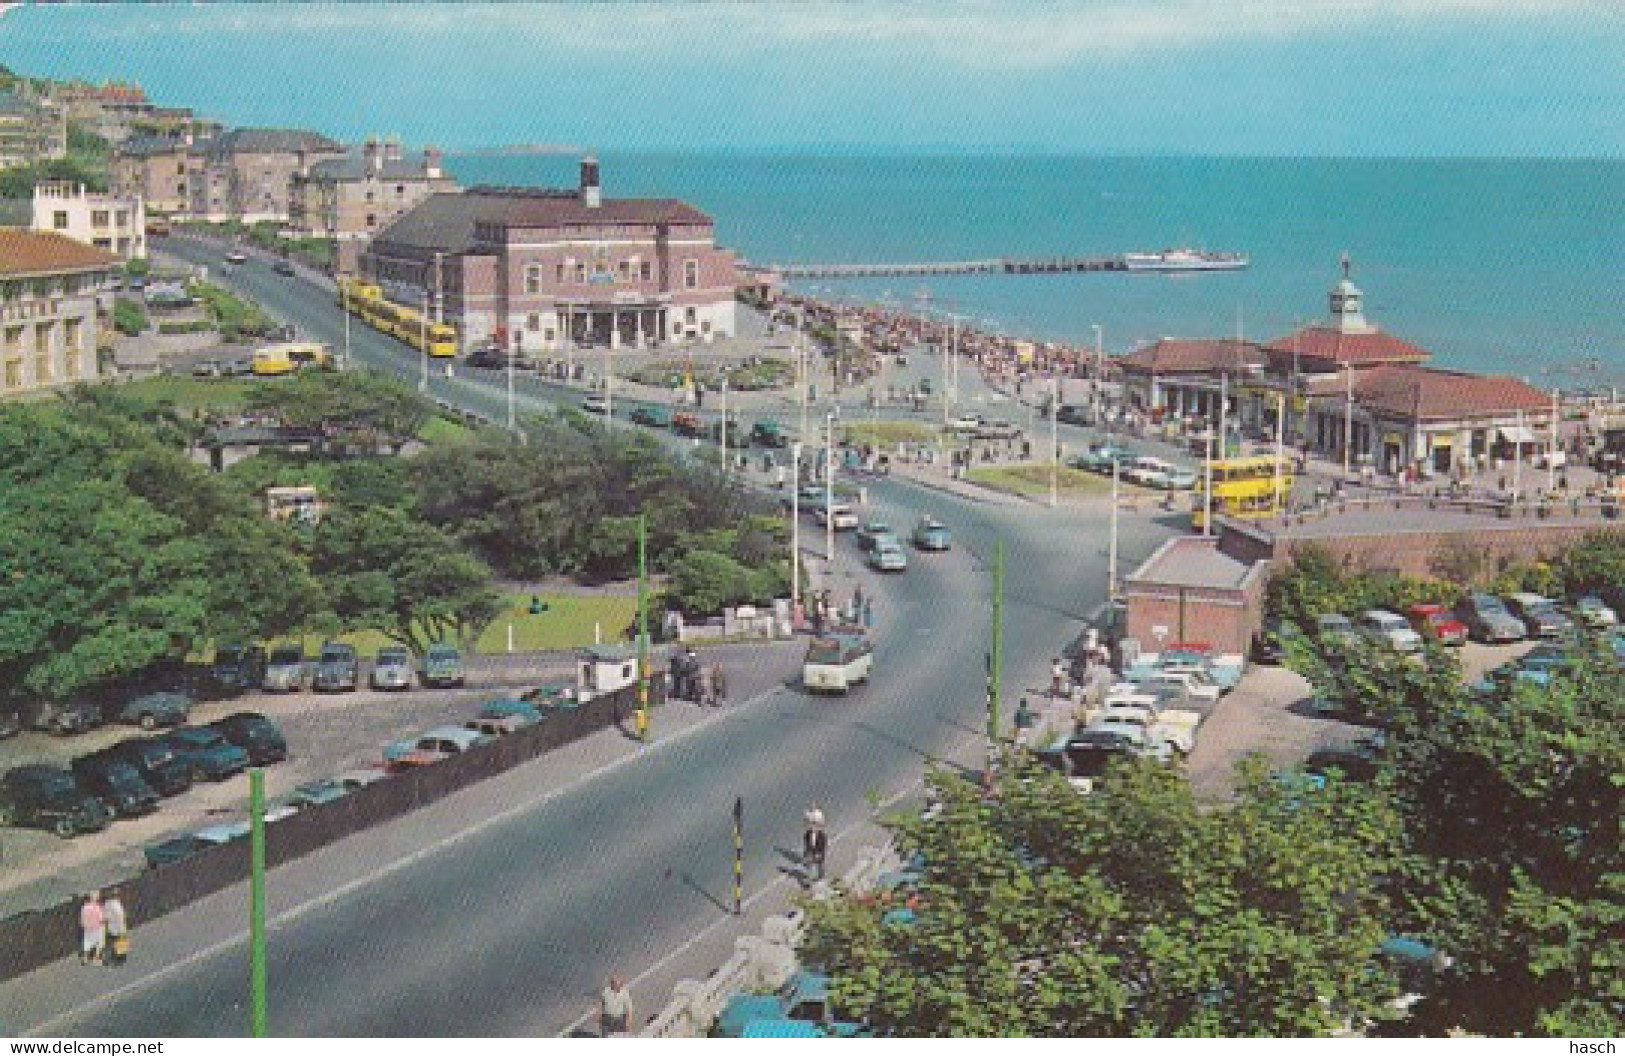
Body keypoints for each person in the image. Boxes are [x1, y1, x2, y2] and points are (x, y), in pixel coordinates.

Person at [103, 888, 129, 967]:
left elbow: (107, 916)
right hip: (115, 928)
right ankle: (117, 959)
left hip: (113, 928)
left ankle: (116, 959)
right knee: (116, 943)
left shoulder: (112, 905)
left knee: (115, 943)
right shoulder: (113, 904)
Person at [79, 891, 104, 966]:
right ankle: (95, 958)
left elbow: (82, 918)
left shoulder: (85, 907)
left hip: (87, 928)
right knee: (99, 943)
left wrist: (84, 925)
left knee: (87, 942)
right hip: (96, 928)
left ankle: (85, 958)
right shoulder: (97, 907)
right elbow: (101, 918)